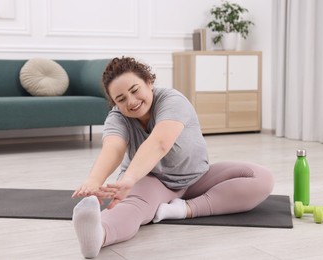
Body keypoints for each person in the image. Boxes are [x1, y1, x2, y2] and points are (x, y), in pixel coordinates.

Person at [71, 56, 274, 259]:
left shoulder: (172, 100)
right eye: (121, 99)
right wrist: (94, 181)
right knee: (134, 208)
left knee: (261, 178)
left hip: (197, 177)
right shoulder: (117, 117)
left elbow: (160, 143)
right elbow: (113, 148)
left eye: (134, 90)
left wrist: (129, 178)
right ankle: (98, 235)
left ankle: (183, 210)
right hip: (153, 181)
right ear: (114, 102)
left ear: (149, 82)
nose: (131, 101)